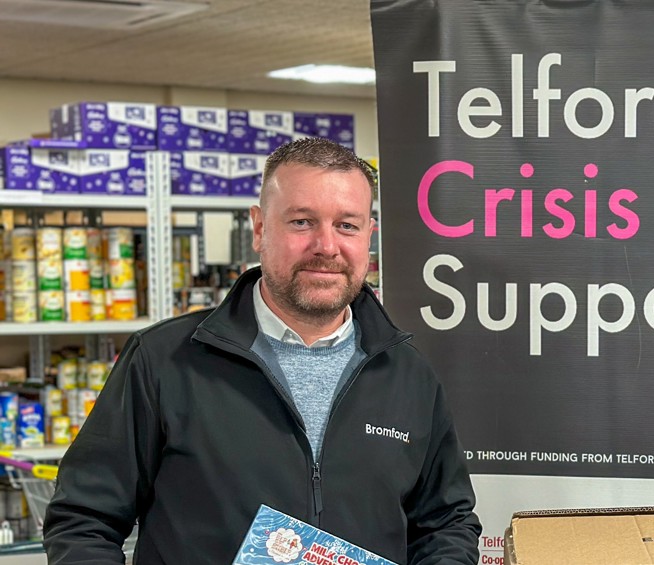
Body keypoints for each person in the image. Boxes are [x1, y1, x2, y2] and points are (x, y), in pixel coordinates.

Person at [45, 138, 481, 564]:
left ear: (369, 235)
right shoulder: (165, 360)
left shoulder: (407, 373)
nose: (326, 247)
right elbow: (84, 519)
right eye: (301, 222)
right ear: (259, 228)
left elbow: (446, 522)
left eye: (346, 225)